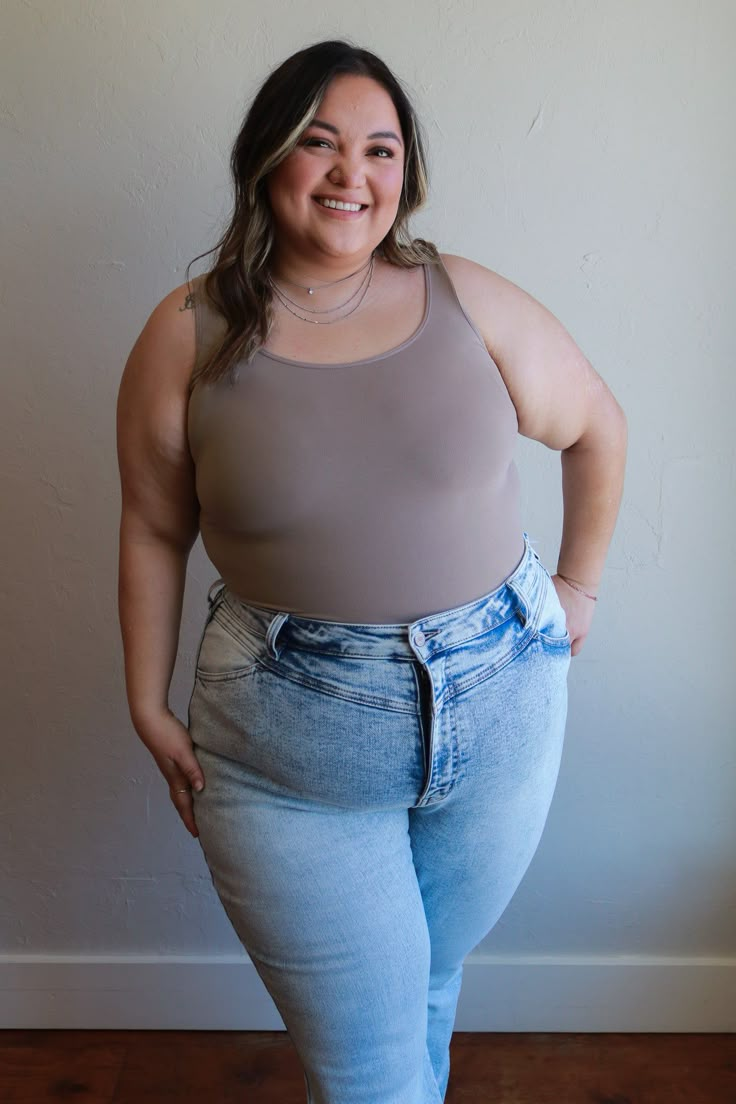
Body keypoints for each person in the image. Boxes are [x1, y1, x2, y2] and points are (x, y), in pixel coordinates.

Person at [116, 38, 626, 1104]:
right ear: (267, 160)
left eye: (381, 149)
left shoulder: (469, 299)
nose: (355, 175)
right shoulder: (185, 334)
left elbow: (595, 428)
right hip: (286, 756)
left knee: (427, 990)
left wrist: (576, 591)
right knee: (369, 1075)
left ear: (407, 173)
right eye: (321, 143)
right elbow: (154, 528)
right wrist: (143, 703)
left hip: (504, 713)